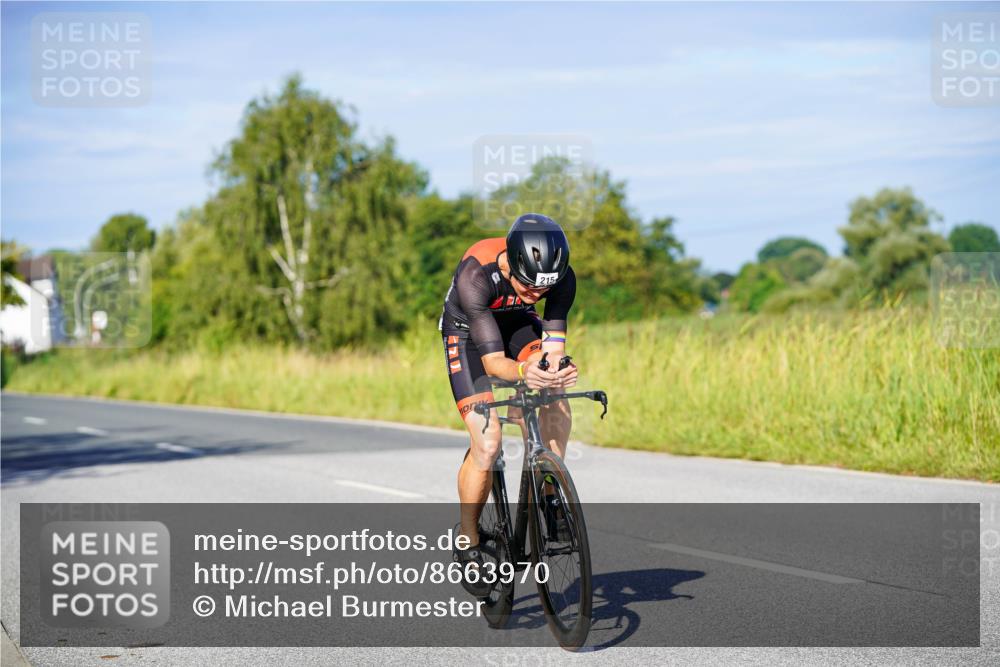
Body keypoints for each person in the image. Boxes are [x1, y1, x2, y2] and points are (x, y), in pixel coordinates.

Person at [439, 213, 578, 597]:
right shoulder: (477, 275)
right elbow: (493, 365)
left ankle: (550, 497)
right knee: (487, 443)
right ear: (511, 263)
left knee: (556, 398)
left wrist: (557, 369)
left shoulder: (561, 278)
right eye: (529, 285)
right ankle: (468, 540)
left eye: (543, 289)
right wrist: (523, 372)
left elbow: (552, 347)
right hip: (469, 334)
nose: (536, 293)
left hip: (517, 324)